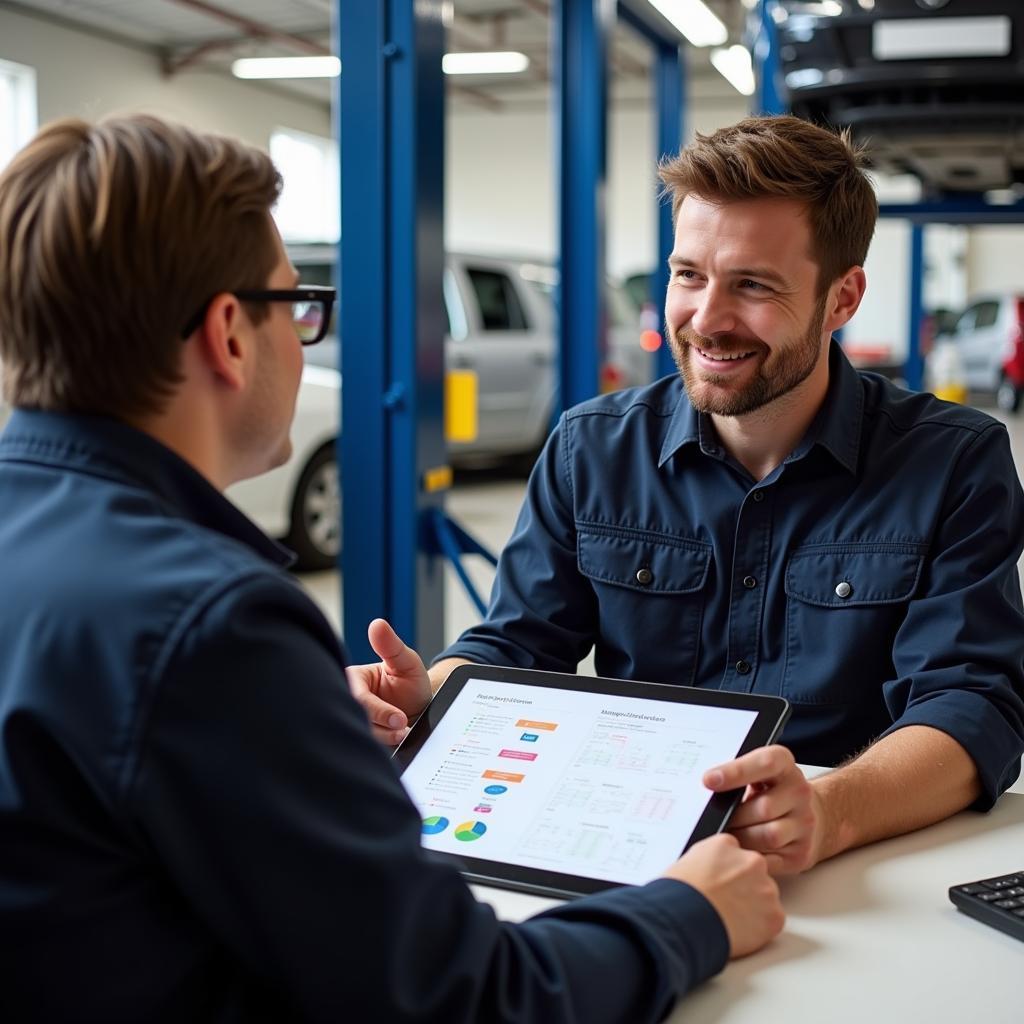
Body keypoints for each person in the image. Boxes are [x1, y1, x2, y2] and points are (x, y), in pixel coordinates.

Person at [0, 114, 784, 1023]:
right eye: (297, 307)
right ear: (228, 333)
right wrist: (692, 913)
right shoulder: (208, 621)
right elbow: (460, 998)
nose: (305, 338)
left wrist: (283, 723)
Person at [352, 115, 1024, 878]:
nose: (706, 320)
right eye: (688, 274)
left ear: (843, 299)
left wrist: (828, 813)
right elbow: (514, 647)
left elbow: (972, 707)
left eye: (753, 285)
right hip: (618, 846)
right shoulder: (592, 448)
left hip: (847, 859)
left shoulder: (953, 462)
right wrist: (427, 699)